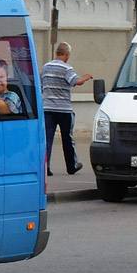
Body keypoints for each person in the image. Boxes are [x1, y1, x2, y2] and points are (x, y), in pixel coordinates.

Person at [41, 42, 92, 176]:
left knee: (47, 139)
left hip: (47, 108)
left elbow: (41, 85)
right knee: (67, 139)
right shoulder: (66, 68)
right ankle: (72, 166)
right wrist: (85, 78)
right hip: (64, 109)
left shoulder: (46, 67)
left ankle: (46, 167)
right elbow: (76, 82)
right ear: (67, 54)